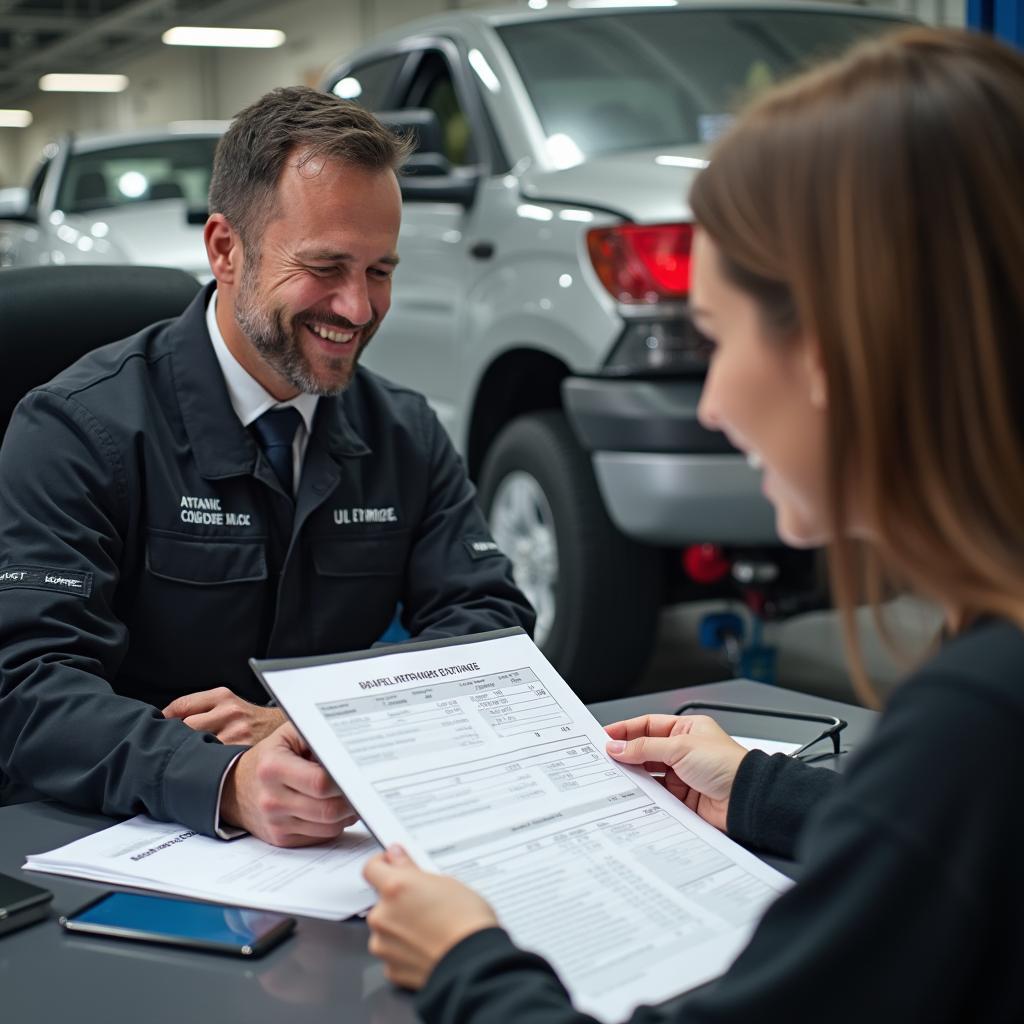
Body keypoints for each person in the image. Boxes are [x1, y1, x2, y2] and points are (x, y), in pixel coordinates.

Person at [362, 27, 1024, 1022]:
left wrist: (465, 959)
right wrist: (759, 792)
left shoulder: (978, 715)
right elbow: (945, 846)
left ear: (837, 346)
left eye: (713, 338)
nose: (709, 403)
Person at [0, 87, 534, 847]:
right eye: (325, 267)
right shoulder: (79, 429)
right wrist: (224, 779)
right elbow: (26, 686)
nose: (358, 308)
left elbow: (490, 626)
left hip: (336, 839)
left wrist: (321, 719)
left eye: (380, 270)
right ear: (225, 250)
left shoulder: (404, 432)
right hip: (126, 835)